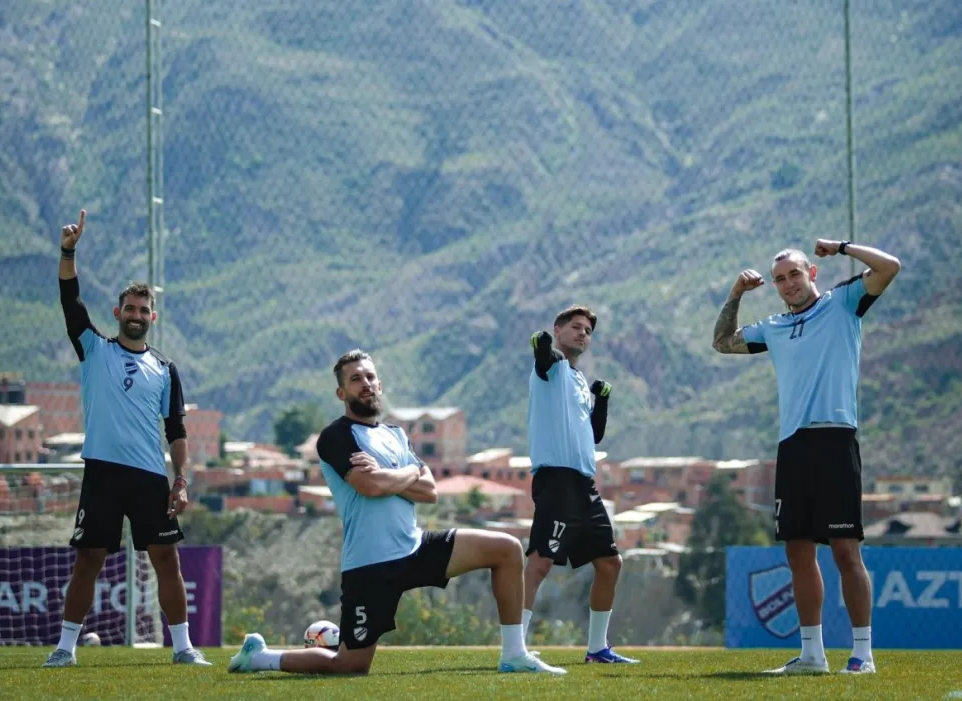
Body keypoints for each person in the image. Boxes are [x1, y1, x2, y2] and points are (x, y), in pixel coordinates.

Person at [228, 350, 565, 676]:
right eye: (356, 378)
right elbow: (370, 486)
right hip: (370, 564)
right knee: (349, 666)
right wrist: (408, 474)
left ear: (380, 384)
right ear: (341, 391)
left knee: (506, 548)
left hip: (415, 546)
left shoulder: (395, 435)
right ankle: (260, 657)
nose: (366, 383)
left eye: (370, 376)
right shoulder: (335, 436)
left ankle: (514, 654)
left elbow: (430, 491)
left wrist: (391, 476)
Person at [712, 239, 901, 675]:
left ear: (811, 274)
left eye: (794, 274)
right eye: (779, 279)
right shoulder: (774, 326)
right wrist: (736, 293)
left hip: (835, 441)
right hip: (792, 446)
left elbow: (890, 266)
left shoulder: (844, 302)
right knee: (797, 552)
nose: (787, 284)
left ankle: (862, 655)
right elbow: (722, 342)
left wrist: (841, 247)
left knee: (845, 552)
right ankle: (812, 655)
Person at [43, 210, 210, 667]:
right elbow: (69, 298)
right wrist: (68, 251)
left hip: (149, 478)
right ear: (117, 313)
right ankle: (64, 649)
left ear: (152, 317)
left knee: (166, 561)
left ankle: (183, 649)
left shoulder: (166, 369)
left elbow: (176, 430)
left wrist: (181, 480)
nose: (136, 316)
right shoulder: (94, 349)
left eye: (144, 310)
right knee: (89, 559)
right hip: (101, 473)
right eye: (129, 309)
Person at [522, 305, 637, 664]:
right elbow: (542, 355)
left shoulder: (577, 382)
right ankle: (514, 647)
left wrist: (600, 401)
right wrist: (541, 344)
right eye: (575, 327)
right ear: (558, 331)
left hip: (585, 485)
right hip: (555, 480)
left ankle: (597, 649)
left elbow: (595, 434)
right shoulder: (552, 369)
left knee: (610, 563)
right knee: (540, 562)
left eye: (587, 329)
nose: (582, 333)